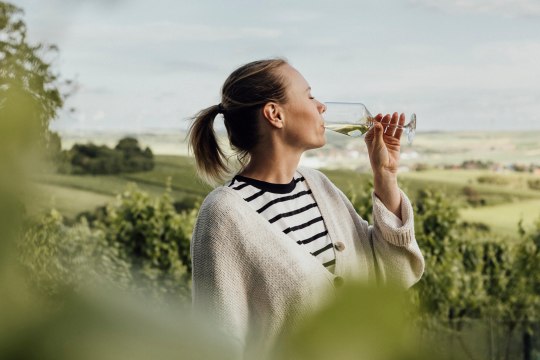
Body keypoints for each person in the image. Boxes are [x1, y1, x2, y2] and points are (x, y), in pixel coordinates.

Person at [188, 58, 424, 358]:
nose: (322, 106)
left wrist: (385, 175)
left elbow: (396, 275)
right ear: (275, 114)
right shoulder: (224, 214)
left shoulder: (319, 186)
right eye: (310, 96)